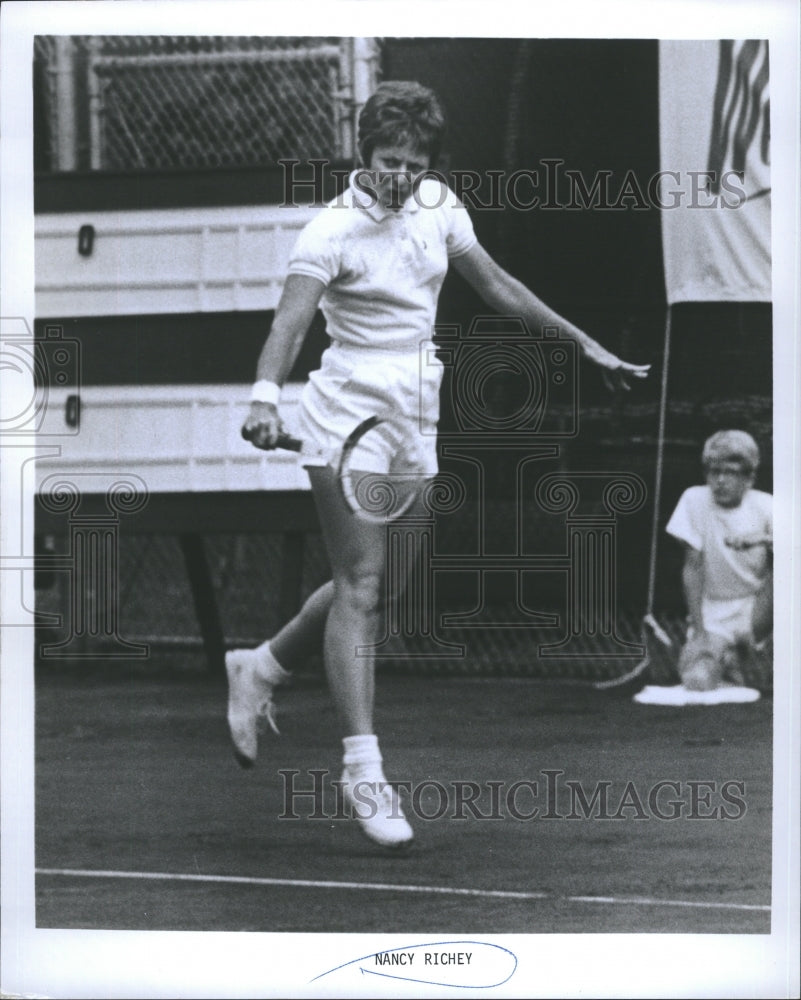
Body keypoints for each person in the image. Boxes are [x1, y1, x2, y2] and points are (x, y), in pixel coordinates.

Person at [226, 80, 650, 849]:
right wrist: (263, 397)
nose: (399, 177)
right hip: (346, 407)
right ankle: (364, 769)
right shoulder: (329, 230)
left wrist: (582, 343)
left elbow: (497, 287)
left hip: (417, 405)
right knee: (359, 583)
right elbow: (289, 324)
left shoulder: (440, 207)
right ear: (364, 155)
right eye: (388, 161)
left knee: (388, 583)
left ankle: (261, 665)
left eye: (413, 164)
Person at [635, 430, 772, 706]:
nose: (720, 480)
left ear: (748, 477)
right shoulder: (694, 500)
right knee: (697, 681)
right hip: (715, 611)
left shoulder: (767, 505)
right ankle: (730, 660)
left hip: (760, 606)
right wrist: (700, 632)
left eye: (730, 472)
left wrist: (761, 540)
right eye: (713, 471)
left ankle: (750, 650)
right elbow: (693, 567)